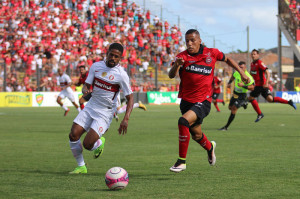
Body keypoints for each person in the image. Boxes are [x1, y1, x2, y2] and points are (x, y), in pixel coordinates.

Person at [168, 29, 250, 172]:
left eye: (192, 40)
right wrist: (177, 65)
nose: (189, 43)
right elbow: (171, 75)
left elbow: (228, 59)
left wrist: (241, 72)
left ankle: (181, 161)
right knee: (196, 135)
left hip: (203, 101)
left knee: (183, 121)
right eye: (187, 41)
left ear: (200, 40)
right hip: (186, 102)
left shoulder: (211, 53)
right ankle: (210, 147)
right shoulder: (181, 57)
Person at [68, 43, 134, 174]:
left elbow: (130, 98)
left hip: (105, 112)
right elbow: (87, 85)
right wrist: (85, 89)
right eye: (111, 55)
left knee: (87, 144)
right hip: (91, 105)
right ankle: (81, 166)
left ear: (120, 58)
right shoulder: (96, 66)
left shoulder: (121, 75)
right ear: (107, 52)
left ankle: (99, 143)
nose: (113, 58)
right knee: (73, 135)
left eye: (116, 56)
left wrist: (126, 119)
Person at [248, 49, 297, 123]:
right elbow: (252, 74)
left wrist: (267, 82)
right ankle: (289, 102)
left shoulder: (260, 63)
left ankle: (260, 114)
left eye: (254, 54)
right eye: (252, 54)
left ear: (258, 55)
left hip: (262, 85)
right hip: (258, 85)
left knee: (250, 98)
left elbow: (267, 72)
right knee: (270, 99)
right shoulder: (252, 64)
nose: (253, 55)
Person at [219, 61, 255, 131]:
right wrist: (229, 83)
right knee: (229, 107)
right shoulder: (236, 73)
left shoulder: (248, 76)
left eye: (242, 67)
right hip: (235, 93)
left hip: (242, 95)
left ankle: (226, 127)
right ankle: (244, 104)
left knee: (233, 109)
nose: (240, 69)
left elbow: (252, 87)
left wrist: (243, 86)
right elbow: (232, 77)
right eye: (239, 67)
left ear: (245, 67)